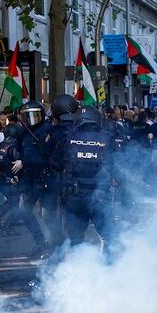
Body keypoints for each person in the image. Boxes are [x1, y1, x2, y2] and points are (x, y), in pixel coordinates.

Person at [51, 105, 115, 247]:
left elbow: (55, 163)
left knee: (76, 238)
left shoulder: (68, 138)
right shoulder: (107, 138)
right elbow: (116, 165)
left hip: (74, 195)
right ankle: (111, 266)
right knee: (109, 235)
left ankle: (79, 266)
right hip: (99, 195)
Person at [11, 101, 53, 253]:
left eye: (35, 115)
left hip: (46, 178)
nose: (32, 119)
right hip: (29, 179)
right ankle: (40, 241)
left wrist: (25, 161)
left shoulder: (49, 131)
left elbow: (48, 157)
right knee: (24, 210)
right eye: (28, 116)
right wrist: (17, 174)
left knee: (47, 215)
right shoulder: (23, 132)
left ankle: (55, 245)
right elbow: (18, 153)